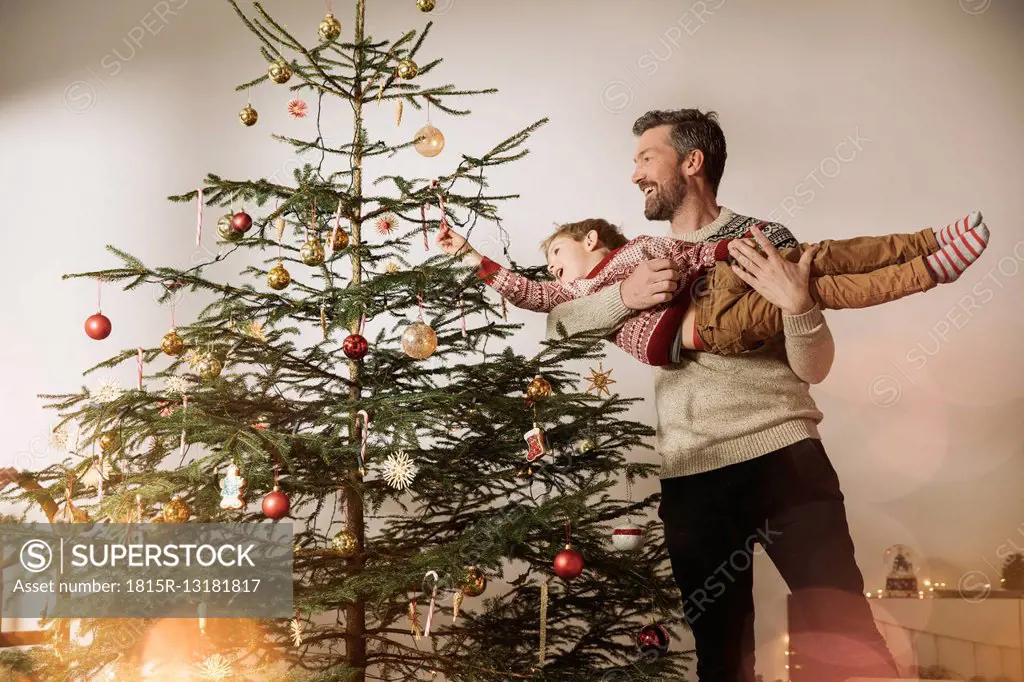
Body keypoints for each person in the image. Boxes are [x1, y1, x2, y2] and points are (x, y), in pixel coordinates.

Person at [542, 109, 906, 681]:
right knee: (723, 662)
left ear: (692, 163)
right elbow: (557, 324)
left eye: (645, 158)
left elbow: (815, 366)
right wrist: (627, 299)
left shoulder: (766, 240)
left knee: (847, 642)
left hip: (786, 462)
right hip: (694, 480)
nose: (633, 174)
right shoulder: (635, 259)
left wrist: (799, 306)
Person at [435, 213, 989, 365]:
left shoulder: (645, 245)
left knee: (816, 258)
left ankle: (929, 238)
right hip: (714, 327)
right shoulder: (574, 297)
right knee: (823, 291)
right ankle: (931, 272)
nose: (552, 271)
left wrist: (731, 249)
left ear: (591, 238)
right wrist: (467, 254)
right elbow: (536, 305)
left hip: (719, 279)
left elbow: (693, 254)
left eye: (556, 255)